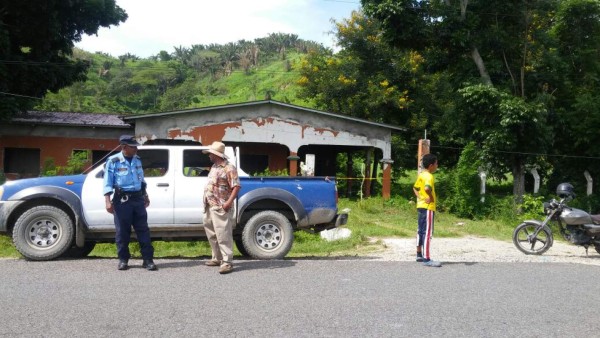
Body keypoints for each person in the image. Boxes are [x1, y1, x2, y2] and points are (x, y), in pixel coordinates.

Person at [103, 135, 157, 271]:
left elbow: (141, 180)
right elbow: (107, 182)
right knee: (122, 231)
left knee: (143, 230)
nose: (136, 149)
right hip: (122, 200)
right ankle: (123, 259)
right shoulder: (113, 161)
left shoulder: (137, 160)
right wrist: (108, 201)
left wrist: (145, 195)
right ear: (124, 147)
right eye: (133, 146)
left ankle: (148, 260)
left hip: (138, 199)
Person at [202, 141, 241, 274]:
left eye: (210, 153)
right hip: (210, 204)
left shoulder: (229, 168)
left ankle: (227, 262)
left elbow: (236, 186)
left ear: (215, 154)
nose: (208, 156)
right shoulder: (214, 166)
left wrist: (228, 203)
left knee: (223, 234)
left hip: (221, 206)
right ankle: (217, 258)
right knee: (212, 233)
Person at [412, 153, 442, 267]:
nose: (437, 165)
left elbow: (415, 188)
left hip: (420, 206)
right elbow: (427, 188)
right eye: (436, 163)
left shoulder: (421, 175)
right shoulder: (429, 176)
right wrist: (431, 198)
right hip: (428, 207)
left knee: (420, 230)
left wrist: (420, 197)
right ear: (431, 165)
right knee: (428, 232)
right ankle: (427, 258)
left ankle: (419, 254)